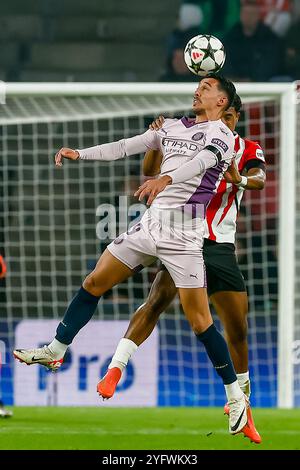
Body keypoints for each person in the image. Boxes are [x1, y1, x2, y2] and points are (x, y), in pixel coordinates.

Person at [14, 74, 255, 439]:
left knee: (200, 322)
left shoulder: (222, 134)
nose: (198, 90)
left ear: (223, 101)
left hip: (186, 235)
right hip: (151, 224)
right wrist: (80, 153)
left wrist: (166, 180)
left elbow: (202, 163)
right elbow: (125, 145)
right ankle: (56, 349)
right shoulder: (173, 126)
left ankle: (235, 396)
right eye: (199, 86)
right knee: (94, 282)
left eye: (207, 88)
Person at [97, 94, 265, 444]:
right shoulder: (190, 138)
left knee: (236, 327)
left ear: (233, 116)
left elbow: (259, 179)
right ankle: (116, 368)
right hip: (183, 234)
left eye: (231, 118)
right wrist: (157, 137)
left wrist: (239, 179)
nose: (225, 122)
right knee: (156, 301)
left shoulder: (246, 148)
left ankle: (242, 399)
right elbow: (154, 169)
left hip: (219, 244)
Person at [223, 0, 283, 81]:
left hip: (260, 83)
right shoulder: (231, 37)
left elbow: (271, 65)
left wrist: (252, 79)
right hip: (234, 83)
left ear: (258, 16)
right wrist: (234, 78)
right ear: (240, 15)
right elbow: (225, 61)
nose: (249, 17)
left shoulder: (269, 38)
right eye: (246, 13)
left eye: (252, 14)